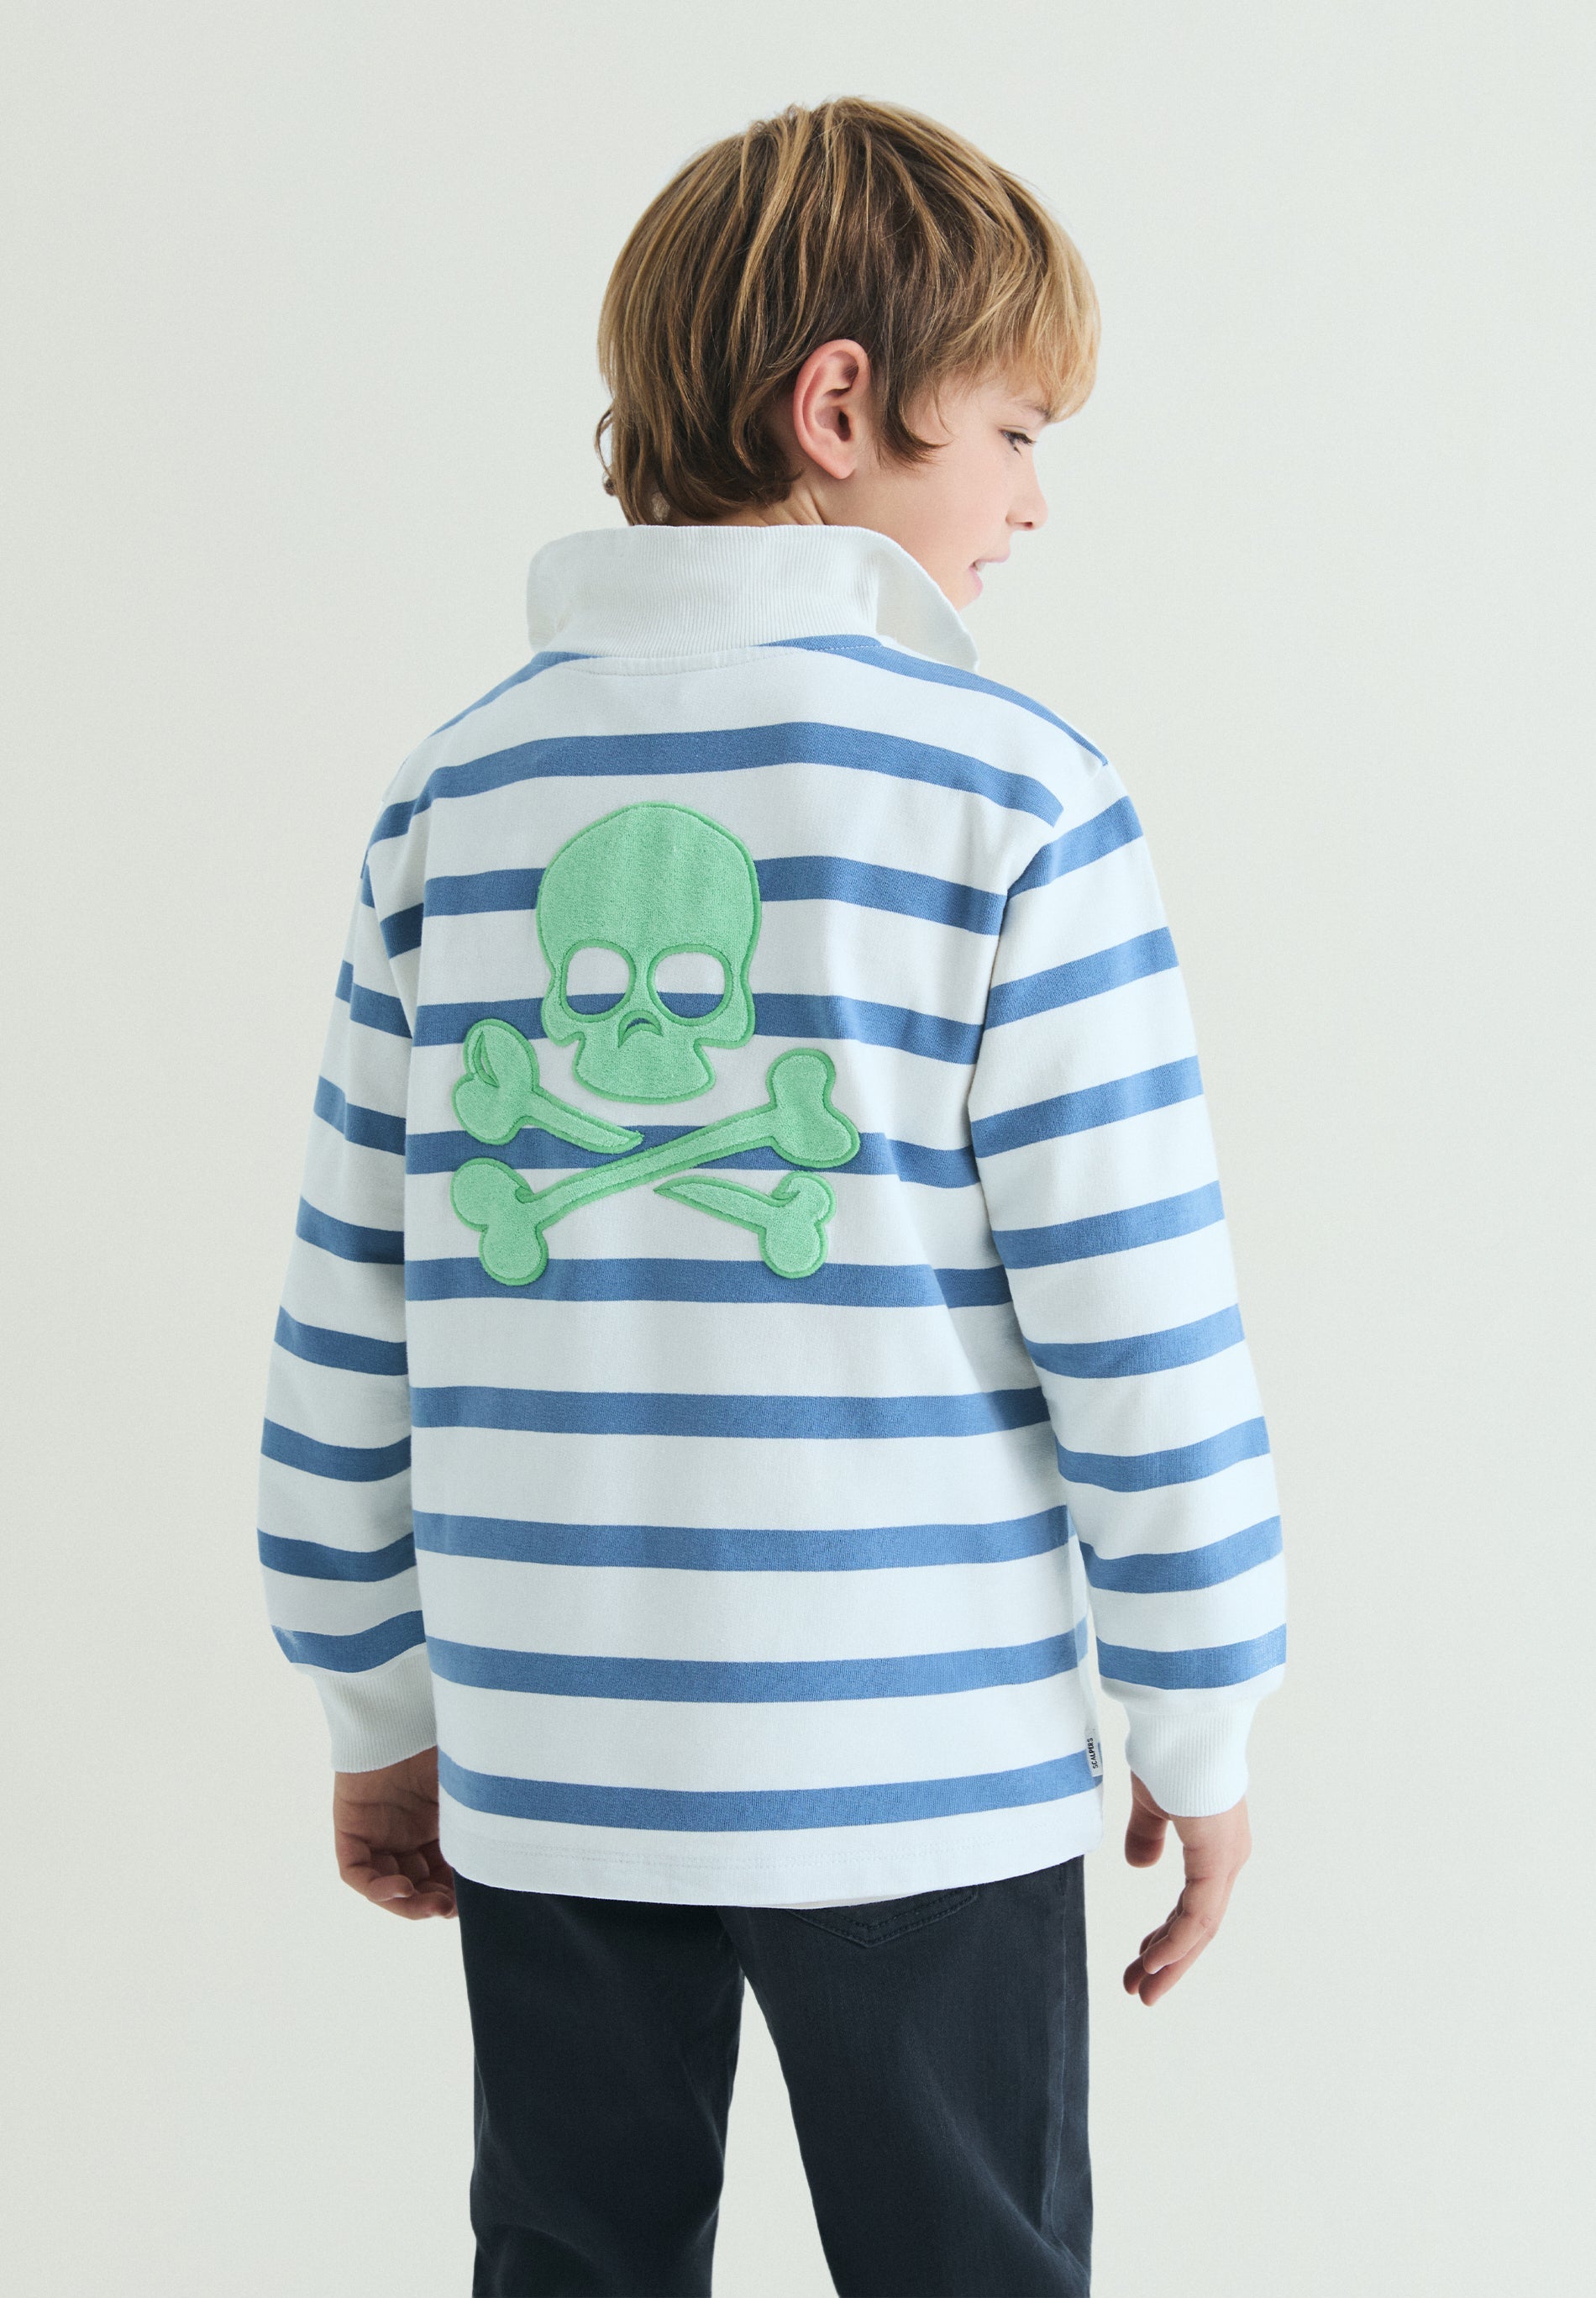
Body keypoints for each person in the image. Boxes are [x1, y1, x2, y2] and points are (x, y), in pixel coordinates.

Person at [258, 97, 1285, 2298]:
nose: (1032, 498)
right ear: (842, 408)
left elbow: (349, 1302)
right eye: (1012, 431)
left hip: (550, 1757)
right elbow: (1137, 1310)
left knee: (571, 2260)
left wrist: (376, 1698)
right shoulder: (1013, 795)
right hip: (920, 1767)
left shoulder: (457, 796)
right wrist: (1199, 1705)